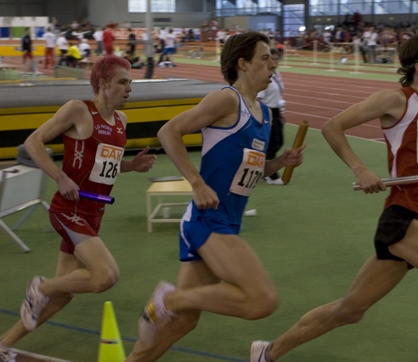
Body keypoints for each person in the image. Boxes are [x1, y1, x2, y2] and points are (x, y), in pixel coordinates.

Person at [251, 33, 418, 362]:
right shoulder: (396, 101)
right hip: (404, 221)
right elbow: (332, 126)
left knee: (349, 310)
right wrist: (360, 169)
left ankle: (268, 353)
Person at [124, 31, 305, 362]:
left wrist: (279, 163)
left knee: (185, 322)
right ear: (243, 64)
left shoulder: (263, 115)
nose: (273, 64)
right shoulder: (226, 100)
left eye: (272, 58)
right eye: (265, 58)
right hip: (208, 219)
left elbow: (250, 170)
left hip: (228, 221)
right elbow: (169, 132)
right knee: (263, 300)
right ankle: (169, 299)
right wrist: (195, 181)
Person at [0, 55, 156, 362]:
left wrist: (131, 166)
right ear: (104, 84)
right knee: (106, 276)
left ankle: (2, 344)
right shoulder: (79, 110)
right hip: (68, 210)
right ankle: (41, 285)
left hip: (95, 214)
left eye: (130, 82)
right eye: (123, 82)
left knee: (64, 294)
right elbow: (32, 142)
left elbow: (104, 165)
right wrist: (59, 176)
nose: (129, 88)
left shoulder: (122, 122)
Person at [257, 49, 285, 185]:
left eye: (277, 59)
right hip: (267, 112)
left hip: (276, 111)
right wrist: (264, 117)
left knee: (278, 142)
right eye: (272, 59)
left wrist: (280, 113)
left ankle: (262, 170)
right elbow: (259, 99)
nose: (275, 62)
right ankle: (271, 175)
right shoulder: (264, 76)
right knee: (272, 144)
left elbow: (278, 95)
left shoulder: (277, 75)